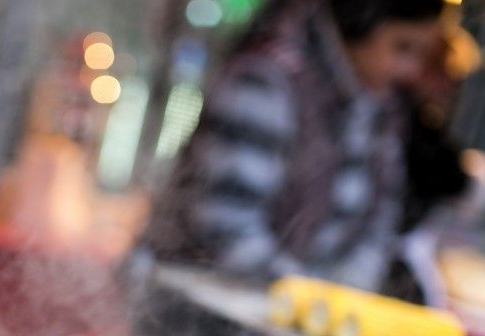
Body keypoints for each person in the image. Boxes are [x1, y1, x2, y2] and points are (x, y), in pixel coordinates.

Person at [144, 0, 444, 290]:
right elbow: (224, 222)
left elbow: (380, 219)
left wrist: (348, 290)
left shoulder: (380, 110)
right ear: (360, 22)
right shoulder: (267, 79)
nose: (411, 70)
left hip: (290, 305)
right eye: (402, 47)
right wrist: (306, 296)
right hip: (197, 294)